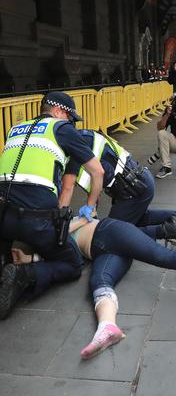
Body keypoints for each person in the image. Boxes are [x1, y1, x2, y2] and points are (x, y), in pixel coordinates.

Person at [12, 215, 176, 359]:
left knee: (159, 255)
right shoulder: (43, 242)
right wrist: (30, 259)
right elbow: (66, 258)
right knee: (98, 282)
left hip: (110, 231)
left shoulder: (57, 221)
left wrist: (62, 232)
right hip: (102, 252)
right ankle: (107, 328)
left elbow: (82, 220)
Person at [0, 92, 104, 319]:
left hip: (3, 216)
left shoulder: (16, 129)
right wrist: (90, 205)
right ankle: (24, 274)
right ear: (57, 112)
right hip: (35, 220)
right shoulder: (62, 129)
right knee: (72, 263)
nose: (71, 123)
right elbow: (98, 172)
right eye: (69, 116)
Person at [60, 129, 176, 243]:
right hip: (138, 182)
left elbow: (68, 187)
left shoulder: (72, 149)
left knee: (112, 234)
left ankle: (166, 231)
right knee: (139, 218)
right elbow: (94, 184)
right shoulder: (85, 135)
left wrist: (62, 222)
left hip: (132, 189)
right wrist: (92, 210)